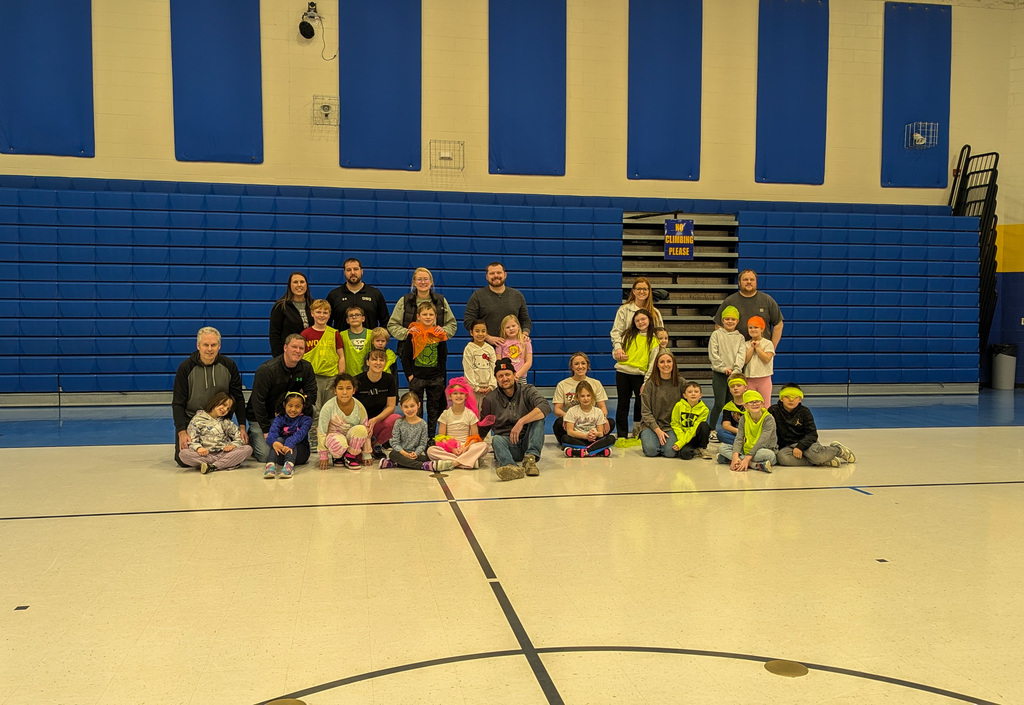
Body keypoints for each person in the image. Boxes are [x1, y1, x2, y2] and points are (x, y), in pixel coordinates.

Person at [172, 326, 247, 467]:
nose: (209, 349)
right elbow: (178, 403)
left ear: (219, 346)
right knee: (182, 459)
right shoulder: (185, 368)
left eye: (213, 345)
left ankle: (210, 463)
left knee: (245, 450)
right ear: (198, 346)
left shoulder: (229, 365)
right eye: (205, 345)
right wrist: (181, 431)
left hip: (221, 421)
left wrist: (242, 426)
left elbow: (238, 397)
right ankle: (222, 462)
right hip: (193, 421)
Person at [246, 334, 317, 463]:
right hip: (262, 416)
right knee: (266, 455)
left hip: (288, 416)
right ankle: (253, 436)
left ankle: (304, 439)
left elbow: (312, 396)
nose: (298, 351)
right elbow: (258, 402)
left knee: (313, 409)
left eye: (301, 348)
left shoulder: (306, 368)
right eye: (294, 347)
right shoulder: (267, 370)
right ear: (285, 348)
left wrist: (296, 415)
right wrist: (266, 430)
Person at [482, 357, 551, 481]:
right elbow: (483, 427)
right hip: (507, 445)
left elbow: (545, 407)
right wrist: (467, 446)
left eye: (508, 374)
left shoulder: (528, 390)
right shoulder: (490, 399)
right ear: (496, 379)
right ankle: (511, 467)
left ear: (515, 375)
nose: (505, 378)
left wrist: (521, 421)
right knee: (496, 439)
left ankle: (530, 459)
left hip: (526, 441)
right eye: (500, 376)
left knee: (538, 418)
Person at [769, 384, 856, 467]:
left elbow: (812, 434)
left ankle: (838, 450)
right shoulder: (773, 411)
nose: (791, 400)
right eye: (787, 397)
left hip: (807, 444)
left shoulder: (805, 412)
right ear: (781, 398)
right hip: (787, 448)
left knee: (817, 455)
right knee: (782, 458)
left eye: (795, 397)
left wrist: (800, 446)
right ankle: (822, 461)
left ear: (800, 399)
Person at [387, 267, 457, 371]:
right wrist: (407, 332)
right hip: (411, 353)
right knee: (415, 385)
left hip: (435, 353)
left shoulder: (440, 301)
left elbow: (452, 324)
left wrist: (443, 332)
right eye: (419, 279)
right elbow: (392, 325)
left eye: (426, 279)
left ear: (431, 281)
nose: (423, 282)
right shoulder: (405, 301)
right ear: (414, 282)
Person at [301, 298, 345, 450]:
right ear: (312, 313)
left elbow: (341, 356)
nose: (321, 315)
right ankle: (314, 439)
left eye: (325, 312)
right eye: (318, 312)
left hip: (331, 378)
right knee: (314, 409)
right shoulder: (306, 334)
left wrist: (341, 376)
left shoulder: (334, 333)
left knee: (330, 410)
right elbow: (300, 357)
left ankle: (330, 438)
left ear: (329, 315)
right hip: (312, 379)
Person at [399, 301, 449, 436]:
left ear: (435, 317)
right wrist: (410, 376)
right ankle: (417, 437)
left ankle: (431, 437)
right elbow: (405, 357)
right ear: (418, 316)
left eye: (431, 314)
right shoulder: (413, 333)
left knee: (434, 410)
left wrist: (442, 377)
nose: (428, 317)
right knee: (416, 410)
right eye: (424, 314)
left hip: (435, 378)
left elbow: (443, 357)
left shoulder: (440, 334)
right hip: (417, 378)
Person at [178, 392, 252, 474]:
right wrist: (199, 448)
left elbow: (239, 437)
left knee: (248, 449)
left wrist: (233, 445)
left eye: (228, 409)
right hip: (205, 455)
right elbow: (192, 439)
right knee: (183, 454)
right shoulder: (197, 420)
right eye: (223, 405)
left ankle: (213, 466)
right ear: (215, 401)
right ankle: (223, 464)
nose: (224, 409)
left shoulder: (226, 422)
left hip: (223, 453)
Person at [380, 392, 453, 472]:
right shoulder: (399, 422)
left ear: (418, 405)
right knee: (393, 454)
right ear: (401, 407)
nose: (409, 410)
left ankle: (396, 463)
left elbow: (422, 444)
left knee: (427, 457)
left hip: (416, 454)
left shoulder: (423, 424)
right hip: (401, 453)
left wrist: (416, 453)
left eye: (412, 406)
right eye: (406, 407)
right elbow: (395, 443)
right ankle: (423, 466)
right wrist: (405, 454)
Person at [426, 378, 489, 469]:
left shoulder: (470, 415)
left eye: (461, 393)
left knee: (483, 446)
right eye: (455, 393)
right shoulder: (445, 414)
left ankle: (453, 463)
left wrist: (465, 448)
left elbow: (475, 438)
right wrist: (452, 449)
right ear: (450, 396)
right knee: (431, 451)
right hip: (450, 448)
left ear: (466, 396)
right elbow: (441, 437)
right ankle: (468, 462)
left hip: (466, 447)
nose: (458, 396)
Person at [463, 262, 532, 345]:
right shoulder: (477, 296)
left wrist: (524, 334)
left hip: (512, 350)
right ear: (487, 276)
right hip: (485, 348)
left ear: (505, 275)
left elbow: (525, 320)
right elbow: (469, 321)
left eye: (499, 272)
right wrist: (487, 337)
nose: (496, 276)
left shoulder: (517, 295)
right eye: (492, 273)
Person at [552, 352, 612, 445]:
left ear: (587, 365)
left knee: (610, 423)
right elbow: (557, 409)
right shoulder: (562, 385)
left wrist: (603, 418)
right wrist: (567, 417)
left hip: (591, 423)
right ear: (572, 367)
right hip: (572, 423)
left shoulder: (596, 383)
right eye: (576, 364)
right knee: (559, 423)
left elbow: (602, 406)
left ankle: (584, 442)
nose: (580, 367)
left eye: (583, 363)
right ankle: (592, 443)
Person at [714, 269, 784, 349]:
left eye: (752, 280)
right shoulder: (730, 301)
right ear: (739, 283)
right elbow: (718, 325)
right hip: (736, 351)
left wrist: (771, 348)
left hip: (761, 352)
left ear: (756, 282)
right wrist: (728, 345)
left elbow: (778, 324)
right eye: (745, 280)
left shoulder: (767, 300)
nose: (749, 282)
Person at [614, 309, 657, 438]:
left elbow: (652, 363)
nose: (640, 322)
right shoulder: (627, 335)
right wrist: (618, 354)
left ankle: (638, 432)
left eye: (643, 319)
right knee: (622, 404)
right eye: (637, 320)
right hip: (622, 373)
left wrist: (646, 381)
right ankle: (622, 435)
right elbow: (616, 352)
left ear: (649, 320)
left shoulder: (654, 340)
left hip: (640, 376)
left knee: (641, 404)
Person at [317, 373, 370, 469]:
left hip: (350, 439)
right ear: (335, 391)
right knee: (339, 444)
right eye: (340, 388)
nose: (344, 392)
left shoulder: (359, 406)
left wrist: (366, 454)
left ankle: (350, 456)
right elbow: (321, 432)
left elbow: (366, 429)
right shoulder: (328, 407)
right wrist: (323, 455)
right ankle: (338, 457)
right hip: (335, 436)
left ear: (354, 390)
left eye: (348, 388)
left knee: (362, 429)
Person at [638, 351, 685, 458]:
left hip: (672, 426)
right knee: (651, 451)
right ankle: (652, 440)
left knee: (670, 453)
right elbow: (645, 412)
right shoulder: (650, 384)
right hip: (651, 426)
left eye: (669, 361)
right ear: (657, 365)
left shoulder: (681, 382)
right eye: (662, 362)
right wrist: (658, 431)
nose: (666, 365)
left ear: (673, 364)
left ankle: (663, 444)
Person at [718, 390, 778, 473]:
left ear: (762, 404)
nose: (754, 404)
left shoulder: (769, 419)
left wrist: (747, 458)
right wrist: (735, 456)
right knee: (722, 447)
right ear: (745, 406)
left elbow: (762, 441)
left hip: (763, 449)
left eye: (757, 401)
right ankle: (753, 465)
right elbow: (739, 438)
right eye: (750, 402)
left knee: (768, 455)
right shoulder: (744, 418)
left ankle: (728, 459)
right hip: (746, 448)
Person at [708, 306, 747, 432]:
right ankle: (711, 429)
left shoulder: (740, 337)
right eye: (727, 319)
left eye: (733, 319)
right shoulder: (716, 335)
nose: (730, 321)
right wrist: (723, 368)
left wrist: (736, 371)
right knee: (719, 403)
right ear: (722, 320)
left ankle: (732, 429)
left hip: (734, 376)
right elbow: (713, 353)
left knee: (732, 403)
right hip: (720, 374)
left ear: (737, 321)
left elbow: (741, 355)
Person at [326, 257, 390, 331]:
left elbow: (385, 321)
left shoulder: (375, 294)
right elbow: (326, 323)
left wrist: (379, 338)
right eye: (348, 270)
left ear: (362, 271)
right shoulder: (334, 295)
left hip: (369, 342)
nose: (352, 272)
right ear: (344, 272)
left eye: (356, 269)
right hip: (342, 342)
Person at [355, 348, 398, 455]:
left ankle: (377, 444)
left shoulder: (389, 379)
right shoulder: (357, 380)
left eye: (381, 360)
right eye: (374, 359)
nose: (378, 363)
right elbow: (352, 408)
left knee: (396, 420)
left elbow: (391, 407)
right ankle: (362, 444)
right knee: (360, 457)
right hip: (359, 423)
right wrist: (364, 424)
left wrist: (375, 420)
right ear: (368, 362)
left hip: (377, 421)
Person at [611, 277, 663, 361]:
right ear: (633, 291)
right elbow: (616, 332)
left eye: (645, 289)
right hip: (628, 356)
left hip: (648, 359)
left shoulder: (655, 313)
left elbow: (660, 335)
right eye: (639, 289)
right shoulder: (624, 310)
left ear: (649, 291)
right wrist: (618, 348)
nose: (641, 292)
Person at [263, 391, 313, 479]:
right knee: (278, 440)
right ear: (284, 405)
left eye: (297, 406)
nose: (293, 409)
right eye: (290, 406)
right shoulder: (280, 418)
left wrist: (289, 443)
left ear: (303, 407)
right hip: (281, 453)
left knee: (292, 441)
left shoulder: (306, 420)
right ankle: (270, 465)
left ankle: (289, 466)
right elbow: (271, 434)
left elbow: (300, 435)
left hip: (300, 454)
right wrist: (274, 442)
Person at [562, 380, 615, 458]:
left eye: (588, 395)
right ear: (577, 397)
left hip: (594, 439)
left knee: (611, 438)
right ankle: (597, 451)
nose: (586, 398)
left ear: (592, 396)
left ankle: (584, 452)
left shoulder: (598, 411)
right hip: (579, 438)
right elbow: (570, 432)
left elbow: (600, 433)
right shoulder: (572, 411)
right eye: (582, 396)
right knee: (565, 438)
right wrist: (585, 436)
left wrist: (594, 434)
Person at [269, 271, 314, 356]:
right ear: (290, 285)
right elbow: (274, 335)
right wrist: (279, 358)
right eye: (295, 282)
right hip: (290, 356)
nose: (299, 285)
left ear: (306, 285)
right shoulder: (281, 307)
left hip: (312, 354)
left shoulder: (313, 305)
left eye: (302, 282)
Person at [670, 381, 713, 460]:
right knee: (685, 455)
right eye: (690, 392)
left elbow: (695, 428)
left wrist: (681, 443)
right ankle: (695, 450)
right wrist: (681, 440)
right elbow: (675, 424)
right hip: (683, 435)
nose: (693, 394)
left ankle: (702, 448)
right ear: (685, 395)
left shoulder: (704, 409)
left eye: (696, 392)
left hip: (695, 435)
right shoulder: (678, 405)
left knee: (704, 425)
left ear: (700, 395)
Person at [462, 319, 496, 411]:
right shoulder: (469, 349)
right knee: (473, 414)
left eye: (483, 331)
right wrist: (475, 387)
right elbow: (468, 369)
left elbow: (494, 368)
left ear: (487, 332)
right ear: (471, 332)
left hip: (488, 389)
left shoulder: (490, 349)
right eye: (477, 331)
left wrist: (492, 385)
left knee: (487, 412)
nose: (480, 334)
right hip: (474, 390)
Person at [743, 316, 776, 402]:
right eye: (750, 328)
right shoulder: (746, 344)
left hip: (764, 379)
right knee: (749, 403)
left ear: (762, 329)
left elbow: (767, 359)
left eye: (756, 327)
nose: (753, 330)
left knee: (765, 404)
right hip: (749, 378)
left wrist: (757, 348)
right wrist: (751, 348)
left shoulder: (768, 343)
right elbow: (745, 360)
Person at [494, 314, 532, 384]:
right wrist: (506, 376)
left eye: (513, 326)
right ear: (503, 329)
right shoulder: (501, 343)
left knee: (521, 394)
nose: (511, 329)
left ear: (519, 326)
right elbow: (498, 362)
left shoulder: (525, 342)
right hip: (505, 379)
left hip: (520, 377)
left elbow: (528, 362)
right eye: (508, 327)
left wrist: (517, 375)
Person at [718, 373, 748, 447]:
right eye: (732, 386)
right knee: (721, 434)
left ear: (745, 388)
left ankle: (739, 446)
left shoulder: (752, 403)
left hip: (751, 433)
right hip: (736, 434)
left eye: (738, 385)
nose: (735, 388)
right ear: (730, 390)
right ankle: (744, 445)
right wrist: (739, 432)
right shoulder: (728, 407)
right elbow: (726, 425)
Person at [340, 306, 371, 376]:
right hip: (349, 376)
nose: (354, 317)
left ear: (363, 318)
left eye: (357, 315)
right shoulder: (341, 335)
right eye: (351, 316)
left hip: (367, 376)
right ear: (347, 320)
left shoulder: (372, 334)